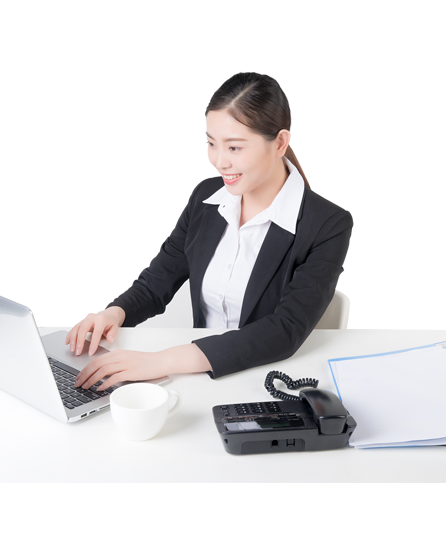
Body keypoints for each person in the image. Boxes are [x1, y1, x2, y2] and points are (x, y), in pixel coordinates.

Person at [66, 72, 353, 392]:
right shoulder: (206, 198)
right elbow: (158, 281)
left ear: (280, 143)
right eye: (211, 144)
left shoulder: (327, 224)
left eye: (234, 147)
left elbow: (285, 330)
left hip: (264, 378)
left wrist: (162, 361)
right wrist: (114, 313)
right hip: (196, 377)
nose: (219, 161)